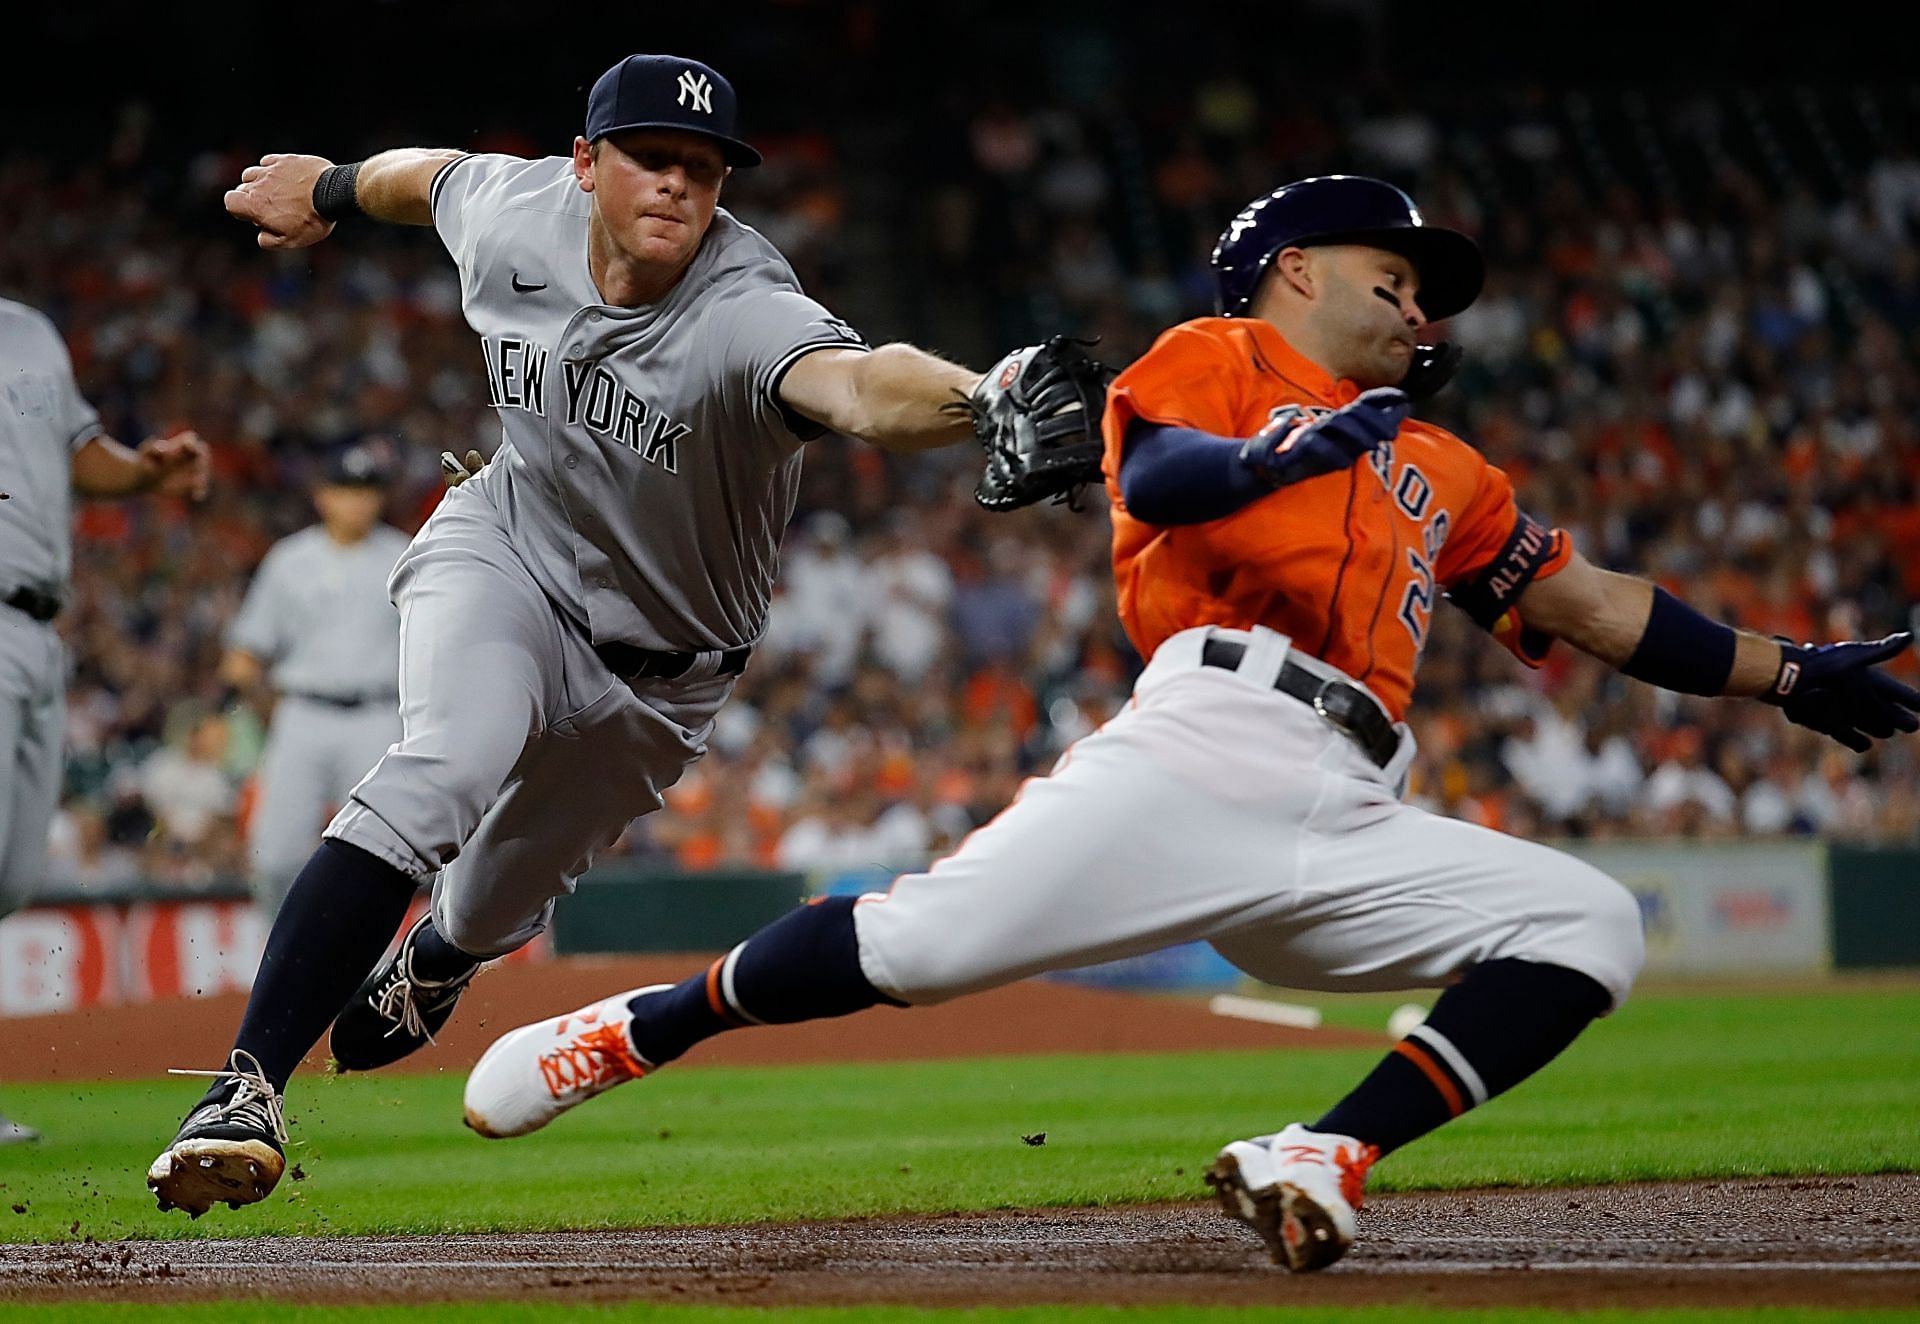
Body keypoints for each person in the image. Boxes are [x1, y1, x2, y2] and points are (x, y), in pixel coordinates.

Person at [458, 175, 1920, 1272]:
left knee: (1588, 923)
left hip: (1351, 800)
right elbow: (1153, 485)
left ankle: (1325, 1149)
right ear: (1293, 271)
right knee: (917, 950)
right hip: (1207, 739)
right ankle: (640, 1028)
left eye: (1431, 292)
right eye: (1393, 274)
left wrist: (1790, 676)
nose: (1424, 305)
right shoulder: (1220, 357)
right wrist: (1281, 452)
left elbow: (1596, 607)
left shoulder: (1446, 466)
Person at [146, 53, 991, 1217]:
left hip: (664, 671)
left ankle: (442, 954)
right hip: (507, 552)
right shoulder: (515, 210)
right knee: (441, 767)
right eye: (652, 156)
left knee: (491, 899)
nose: (678, 185)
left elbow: (858, 387)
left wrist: (983, 401)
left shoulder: (746, 305)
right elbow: (425, 178)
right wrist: (331, 188)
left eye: (704, 168)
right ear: (586, 163)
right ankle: (243, 1090)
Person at [1, 296, 210, 1146]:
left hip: (39, 625)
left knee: (10, 876)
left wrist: (145, 469)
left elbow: (78, 450)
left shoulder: (31, 330)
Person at [221, 443, 409, 914]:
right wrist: (222, 713)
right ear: (322, 496)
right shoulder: (290, 560)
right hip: (302, 715)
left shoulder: (404, 555)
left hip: (379, 716)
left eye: (367, 490)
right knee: (275, 855)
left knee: (381, 852)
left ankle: (371, 970)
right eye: (346, 489)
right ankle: (281, 963)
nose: (357, 501)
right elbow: (247, 652)